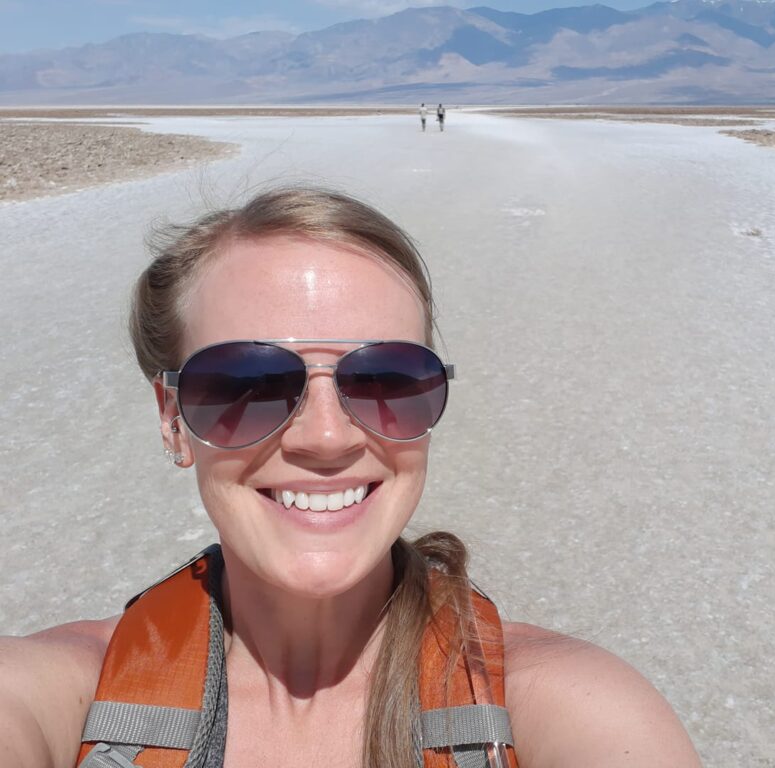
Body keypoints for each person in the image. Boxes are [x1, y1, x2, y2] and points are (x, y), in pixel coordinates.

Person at [0, 187, 702, 768]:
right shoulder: (59, 697)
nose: (328, 438)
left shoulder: (564, 708)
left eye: (387, 379)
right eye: (246, 382)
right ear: (172, 418)